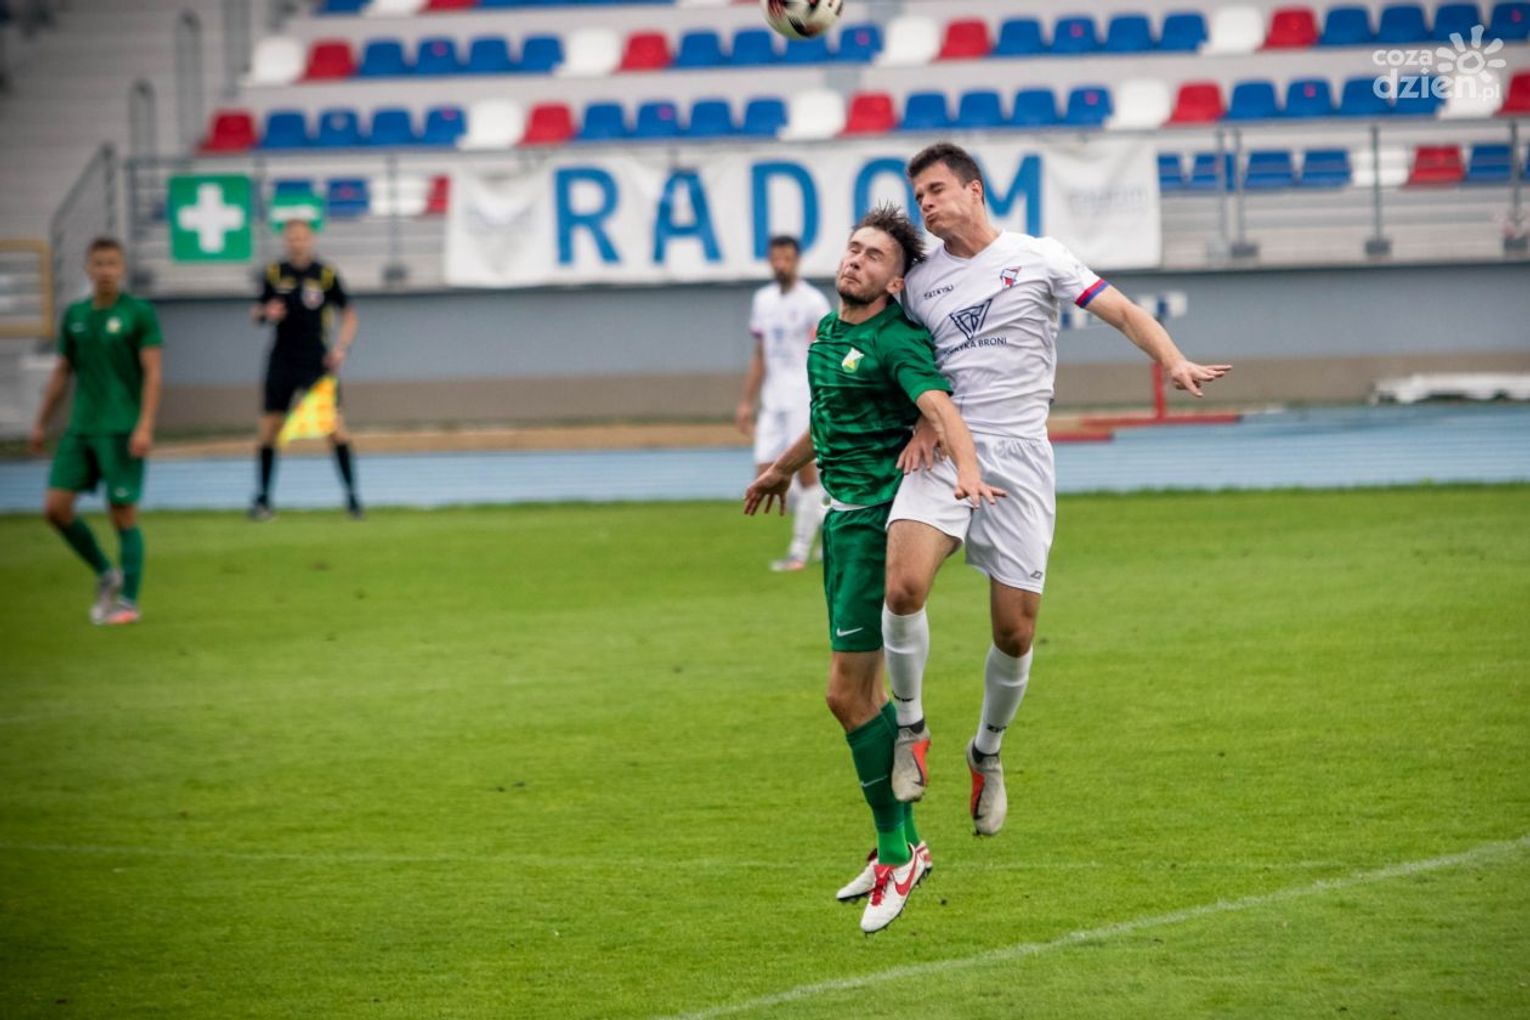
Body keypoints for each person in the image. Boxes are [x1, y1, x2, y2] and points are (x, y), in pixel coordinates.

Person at [881, 142, 1233, 836]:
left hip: (1020, 459)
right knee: (903, 585)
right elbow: (907, 361)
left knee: (1015, 632)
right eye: (918, 195)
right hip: (948, 447)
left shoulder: (1039, 257)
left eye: (936, 189)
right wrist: (921, 422)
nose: (926, 204)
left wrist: (1174, 360)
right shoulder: (918, 282)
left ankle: (986, 751)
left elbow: (1124, 312)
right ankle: (910, 728)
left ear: (975, 190)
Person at [745, 206, 1004, 934]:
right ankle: (902, 842)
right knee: (862, 694)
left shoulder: (895, 338)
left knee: (845, 693)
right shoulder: (830, 332)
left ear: (896, 281)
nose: (856, 260)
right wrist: (781, 468)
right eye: (853, 249)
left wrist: (966, 467)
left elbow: (939, 405)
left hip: (874, 526)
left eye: (874, 256)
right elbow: (828, 415)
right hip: (840, 520)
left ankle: (899, 852)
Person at [30, 237, 163, 625]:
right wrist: (41, 421)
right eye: (99, 263)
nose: (105, 270)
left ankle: (129, 603)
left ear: (122, 268)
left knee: (122, 514)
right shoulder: (75, 315)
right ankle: (107, 573)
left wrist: (145, 424)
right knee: (55, 510)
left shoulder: (138, 313)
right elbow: (62, 372)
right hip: (81, 428)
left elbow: (153, 373)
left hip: (121, 428)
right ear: (87, 268)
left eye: (112, 263)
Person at [249, 219, 361, 520]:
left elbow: (349, 315)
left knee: (334, 427)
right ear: (286, 241)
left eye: (302, 237)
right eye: (292, 238)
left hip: (316, 361)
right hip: (282, 359)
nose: (297, 243)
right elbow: (256, 313)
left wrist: (341, 348)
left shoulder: (325, 274)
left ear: (311, 239)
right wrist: (265, 312)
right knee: (270, 428)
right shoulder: (274, 273)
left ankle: (352, 498)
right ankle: (263, 500)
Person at [735, 235, 832, 571]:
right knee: (766, 475)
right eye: (776, 258)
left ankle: (798, 552)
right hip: (772, 401)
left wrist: (824, 395)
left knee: (805, 476)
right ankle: (833, 526)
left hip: (802, 397)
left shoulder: (813, 302)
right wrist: (746, 401)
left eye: (787, 258)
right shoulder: (763, 300)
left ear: (797, 260)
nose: (781, 264)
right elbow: (760, 354)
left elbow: (825, 351)